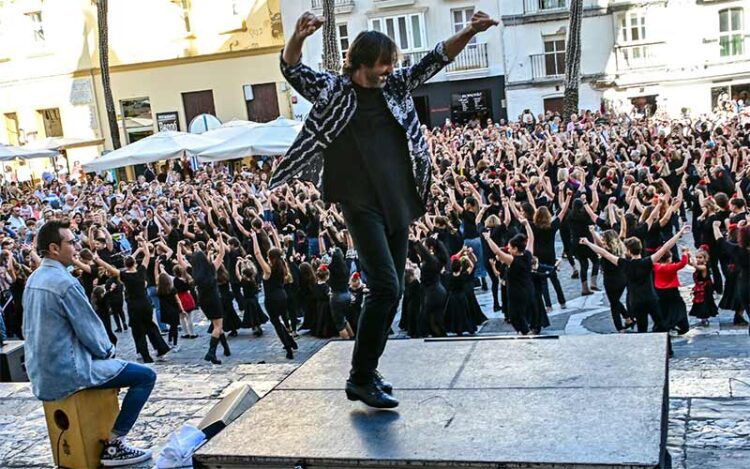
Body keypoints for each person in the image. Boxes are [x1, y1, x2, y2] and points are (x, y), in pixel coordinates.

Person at [270, 9, 499, 409]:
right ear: (360, 63)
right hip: (359, 202)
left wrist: (470, 30)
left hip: (397, 197)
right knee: (386, 286)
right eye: (383, 63)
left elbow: (437, 57)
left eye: (392, 63)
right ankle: (359, 378)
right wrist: (298, 37)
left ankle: (367, 370)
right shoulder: (333, 90)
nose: (390, 69)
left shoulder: (394, 87)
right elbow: (292, 69)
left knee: (390, 293)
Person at [23, 220, 155, 467]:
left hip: (41, 374)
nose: (76, 247)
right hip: (69, 373)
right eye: (71, 242)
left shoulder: (33, 279)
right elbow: (92, 333)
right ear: (53, 248)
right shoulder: (65, 282)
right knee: (145, 376)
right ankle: (114, 446)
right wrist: (108, 354)